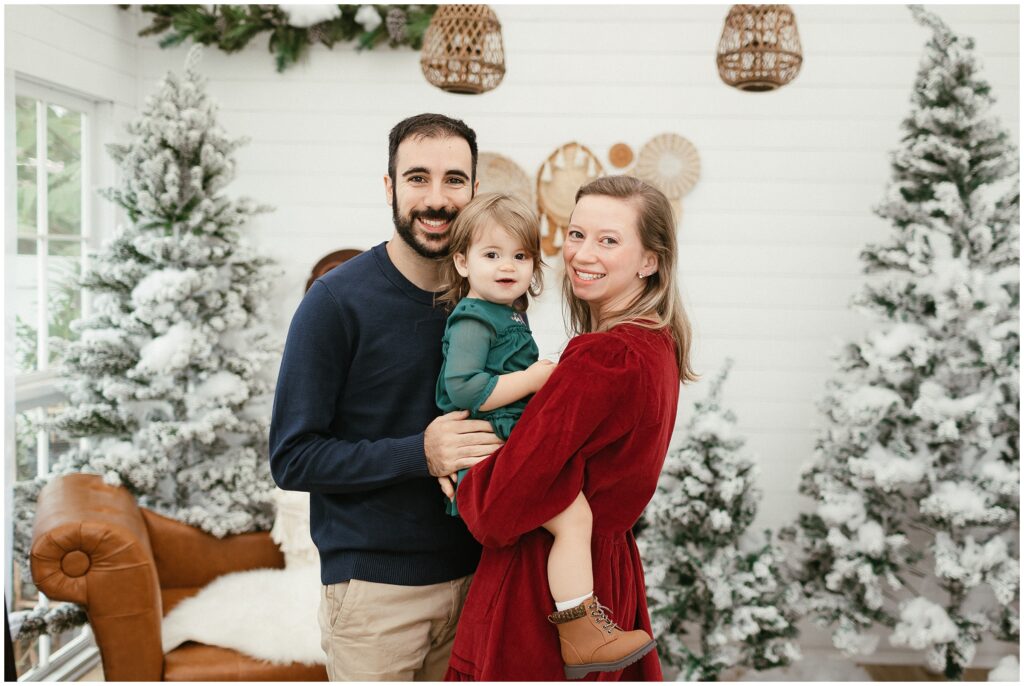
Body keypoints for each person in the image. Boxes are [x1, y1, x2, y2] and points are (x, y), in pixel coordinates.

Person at [269, 113, 504, 681]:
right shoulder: (334, 303)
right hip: (376, 598)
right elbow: (292, 457)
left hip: (480, 580)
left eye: (454, 180)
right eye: (418, 178)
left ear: (473, 190)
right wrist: (421, 452)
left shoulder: (492, 296)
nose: (437, 198)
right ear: (390, 186)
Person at [444, 176, 698, 681]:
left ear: (650, 261)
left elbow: (496, 512)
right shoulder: (656, 344)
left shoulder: (602, 357)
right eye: (576, 234)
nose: (583, 253)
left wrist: (462, 469)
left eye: (608, 240)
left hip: (540, 598)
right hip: (603, 578)